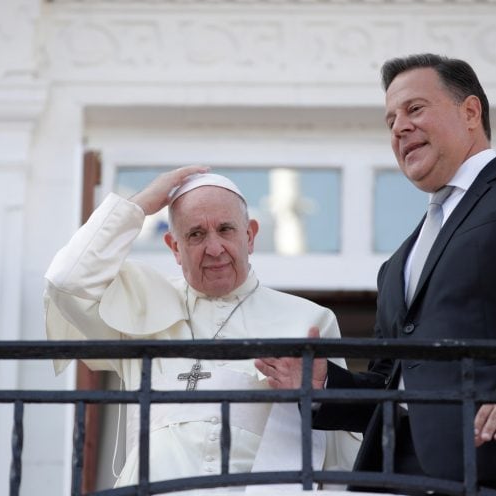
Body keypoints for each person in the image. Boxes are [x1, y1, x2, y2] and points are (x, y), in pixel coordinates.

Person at [255, 53, 496, 495]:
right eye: (390, 120)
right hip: (397, 471)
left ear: (470, 112)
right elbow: (388, 379)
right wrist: (323, 382)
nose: (399, 127)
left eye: (415, 109)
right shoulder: (398, 261)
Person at [44, 166, 360, 490]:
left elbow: (339, 457)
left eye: (225, 230)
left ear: (249, 235)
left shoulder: (307, 320)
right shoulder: (140, 305)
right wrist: (138, 206)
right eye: (196, 234)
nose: (214, 248)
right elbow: (66, 282)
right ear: (174, 247)